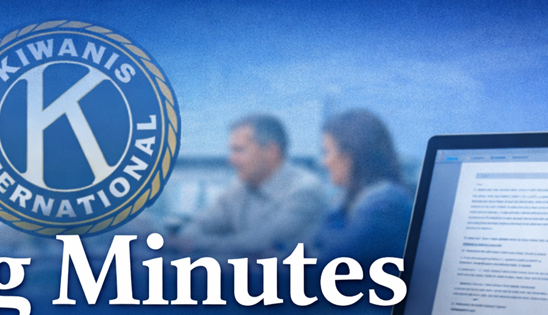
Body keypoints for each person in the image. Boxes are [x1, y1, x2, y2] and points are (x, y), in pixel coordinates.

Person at [176, 114, 327, 256]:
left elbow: (257, 244)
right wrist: (187, 239)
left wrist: (195, 244)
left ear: (271, 151)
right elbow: (201, 224)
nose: (231, 160)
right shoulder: (241, 187)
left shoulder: (305, 191)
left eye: (239, 150)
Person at [314, 109, 413, 264]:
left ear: (349, 156)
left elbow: (332, 266)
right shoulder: (349, 200)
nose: (324, 162)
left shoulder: (384, 204)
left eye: (327, 152)